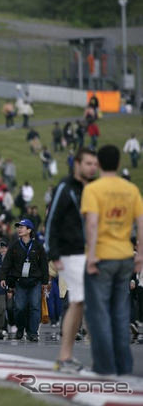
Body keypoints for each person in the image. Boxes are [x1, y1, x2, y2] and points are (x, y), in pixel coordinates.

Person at [81, 144, 143, 375]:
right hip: (125, 256)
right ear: (118, 164)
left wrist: (92, 255)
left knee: (99, 314)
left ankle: (103, 367)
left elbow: (93, 223)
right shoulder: (131, 189)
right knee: (120, 312)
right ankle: (124, 366)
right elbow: (141, 223)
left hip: (102, 256)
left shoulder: (93, 189)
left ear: (98, 163)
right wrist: (141, 254)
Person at [44, 147, 98, 372]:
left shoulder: (92, 189)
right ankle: (71, 356)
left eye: (95, 164)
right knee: (83, 300)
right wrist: (54, 255)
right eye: (88, 163)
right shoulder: (65, 188)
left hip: (89, 252)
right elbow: (51, 221)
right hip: (69, 253)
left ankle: (66, 356)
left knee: (81, 302)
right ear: (77, 163)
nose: (92, 168)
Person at [0, 219, 49, 342]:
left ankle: (32, 332)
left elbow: (44, 264)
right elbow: (7, 263)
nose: (19, 229)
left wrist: (45, 281)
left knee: (35, 307)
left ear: (29, 230)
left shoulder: (38, 246)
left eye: (22, 227)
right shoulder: (14, 246)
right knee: (19, 307)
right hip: (20, 281)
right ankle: (21, 328)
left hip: (35, 281)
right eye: (18, 227)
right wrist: (2, 277)